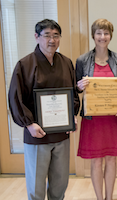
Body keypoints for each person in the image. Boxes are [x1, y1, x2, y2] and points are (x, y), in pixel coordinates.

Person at [8, 19, 80, 200]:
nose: (52, 40)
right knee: (36, 185)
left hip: (61, 133)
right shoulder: (25, 65)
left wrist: (72, 115)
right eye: (47, 35)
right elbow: (16, 98)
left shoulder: (66, 63)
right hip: (36, 135)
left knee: (60, 182)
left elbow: (72, 94)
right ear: (36, 37)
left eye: (56, 36)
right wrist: (29, 124)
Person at [76, 19, 117, 200]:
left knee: (111, 159)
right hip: (93, 119)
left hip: (113, 118)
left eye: (106, 33)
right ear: (93, 35)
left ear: (110, 36)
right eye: (99, 33)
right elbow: (75, 89)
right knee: (96, 161)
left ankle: (109, 198)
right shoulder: (82, 60)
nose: (102, 37)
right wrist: (79, 86)